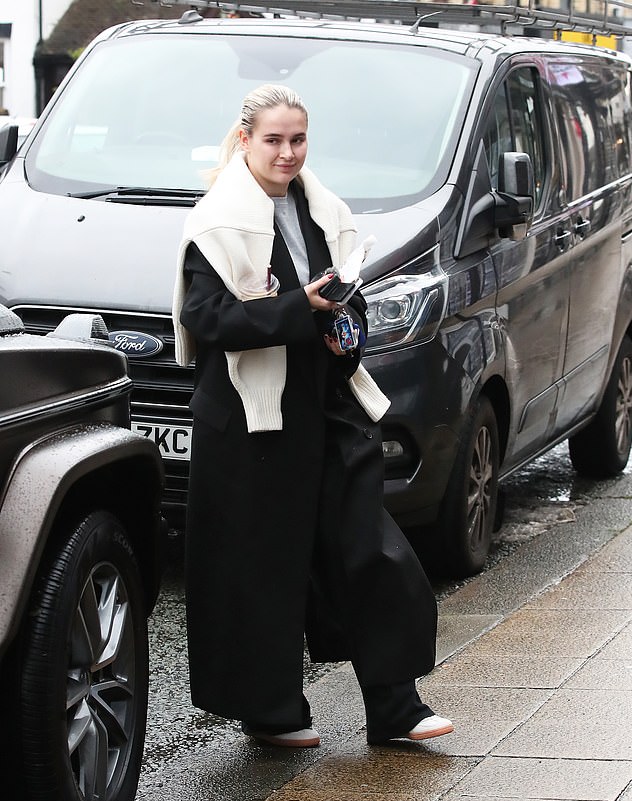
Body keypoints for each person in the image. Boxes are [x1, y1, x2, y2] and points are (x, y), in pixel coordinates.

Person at [172, 83, 453, 748]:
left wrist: (342, 327)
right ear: (245, 140)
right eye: (274, 139)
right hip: (249, 424)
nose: (288, 152)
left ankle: (396, 707)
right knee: (261, 569)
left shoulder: (323, 208)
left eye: (298, 139)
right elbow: (205, 320)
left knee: (371, 552)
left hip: (328, 407)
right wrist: (303, 309)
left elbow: (345, 302)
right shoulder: (215, 222)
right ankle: (271, 713)